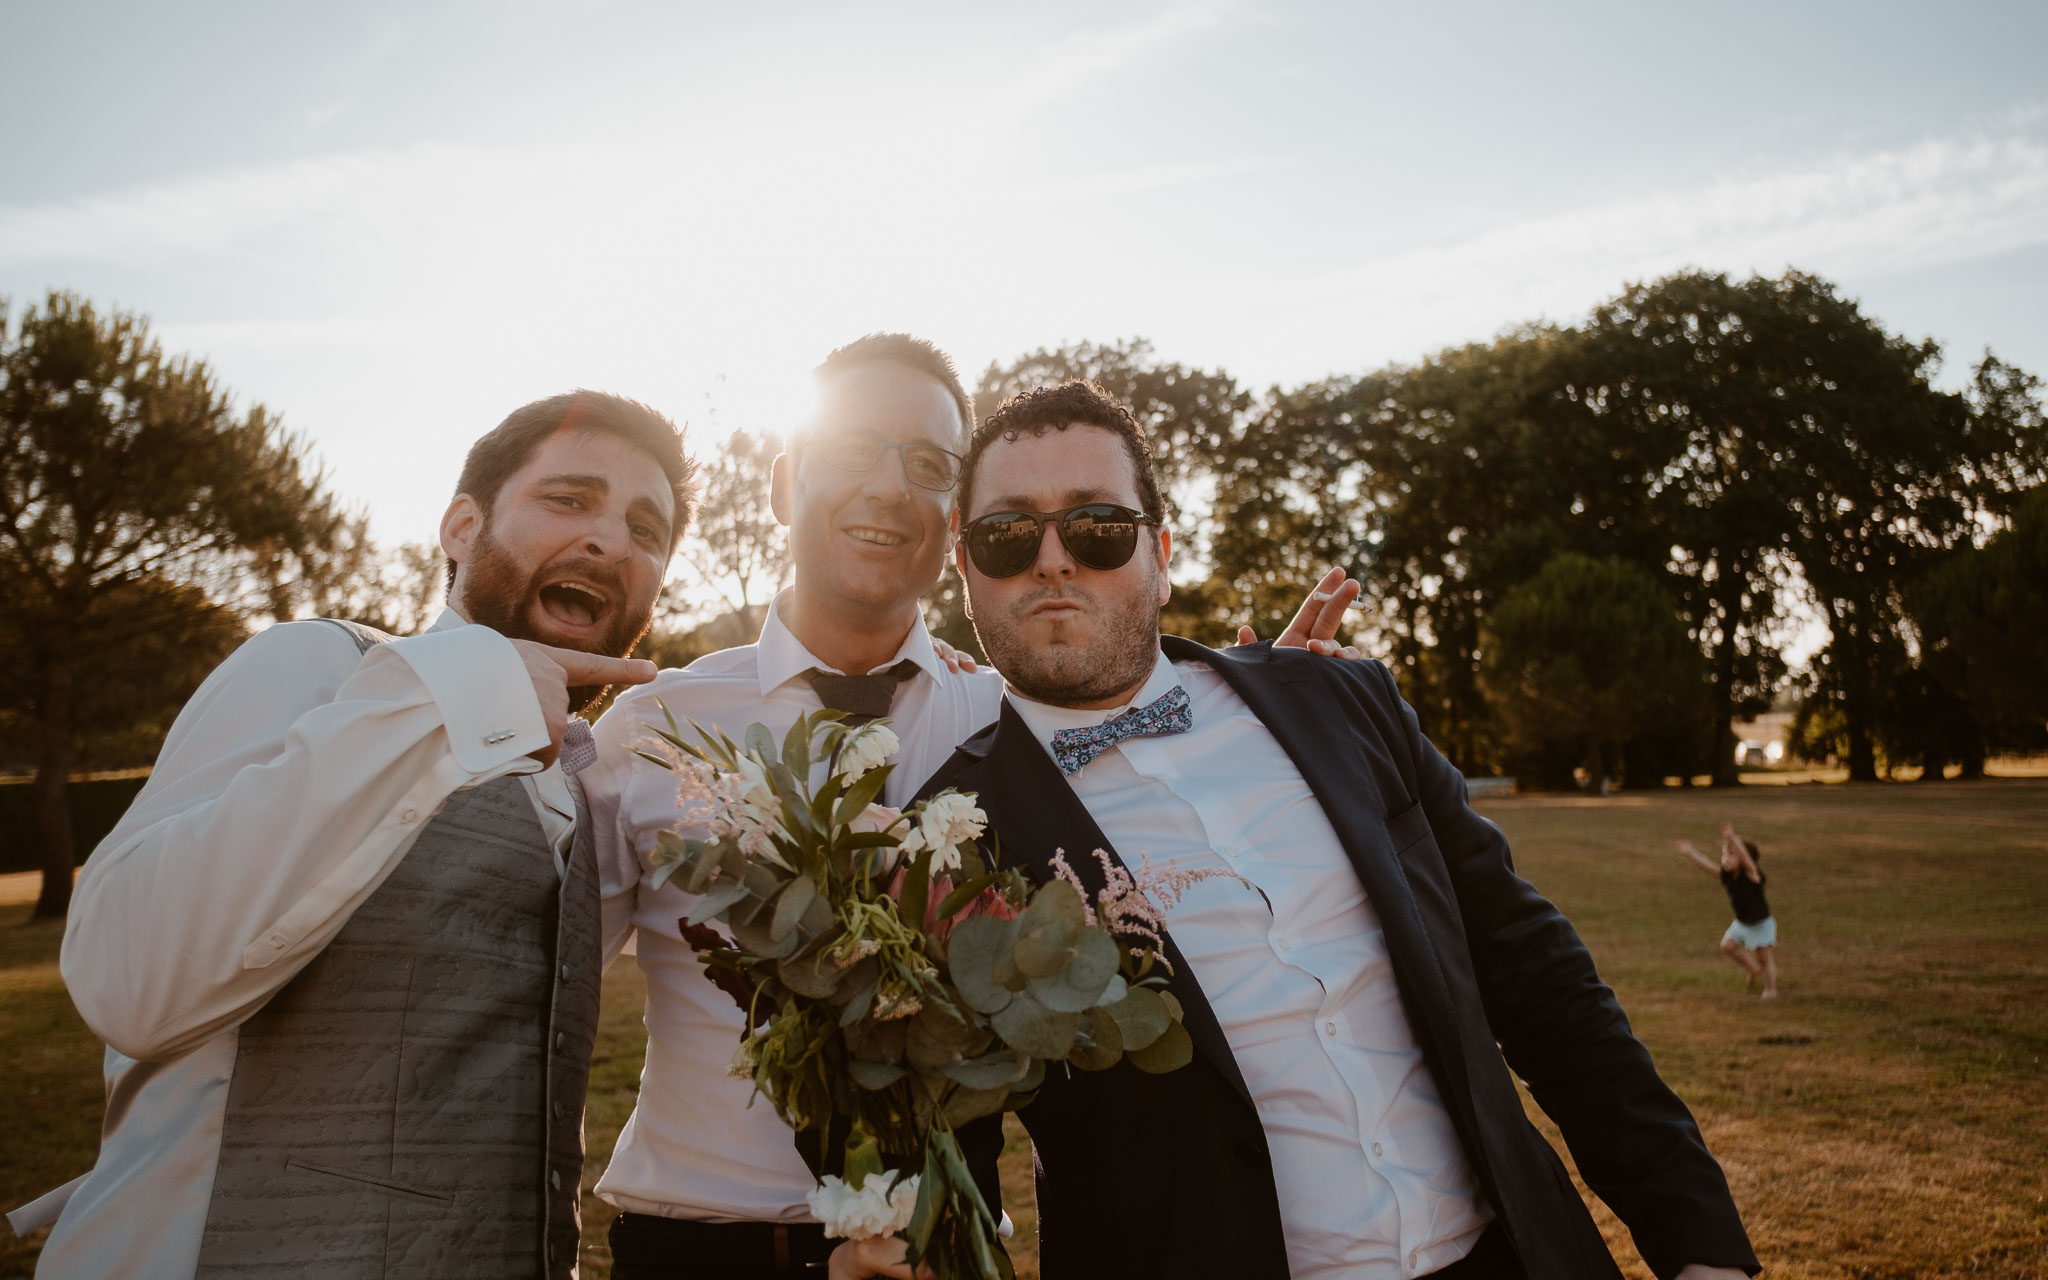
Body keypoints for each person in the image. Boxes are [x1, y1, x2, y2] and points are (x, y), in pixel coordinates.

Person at [842, 380, 1760, 1279]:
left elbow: (1536, 977)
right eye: (1009, 534)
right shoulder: (942, 845)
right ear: (964, 566)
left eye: (1096, 526)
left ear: (1162, 551)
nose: (1053, 560)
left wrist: (1699, 1240)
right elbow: (937, 1158)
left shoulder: (1340, 701)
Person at [585, 336, 1361, 1279]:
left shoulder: (1018, 728)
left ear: (953, 521)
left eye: (925, 465)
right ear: (785, 485)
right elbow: (539, 1009)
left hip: (942, 1245)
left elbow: (1184, 832)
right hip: (696, 1252)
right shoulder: (657, 726)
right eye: (853, 451)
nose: (886, 487)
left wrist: (1252, 707)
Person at [18, 390, 693, 1279]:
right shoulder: (316, 665)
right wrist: (456, 694)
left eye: (647, 530)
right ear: (461, 527)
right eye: (567, 500)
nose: (612, 541)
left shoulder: (575, 792)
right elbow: (130, 978)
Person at [1674, 823, 1778, 999]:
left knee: (1764, 958)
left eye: (1731, 855)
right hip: (1742, 922)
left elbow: (1746, 858)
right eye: (1724, 855)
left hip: (1760, 924)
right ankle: (1752, 969)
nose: (1725, 859)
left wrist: (1731, 838)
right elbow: (1708, 866)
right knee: (1728, 946)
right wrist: (1690, 852)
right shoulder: (1728, 877)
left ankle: (1770, 989)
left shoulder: (1752, 874)